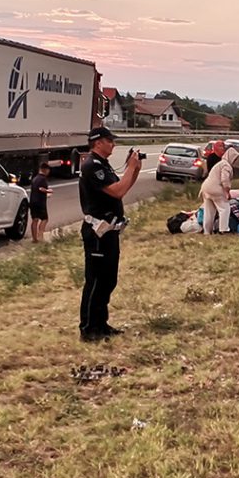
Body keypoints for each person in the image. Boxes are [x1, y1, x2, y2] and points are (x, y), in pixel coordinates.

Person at [78, 126, 142, 342]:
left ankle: (101, 324)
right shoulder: (91, 166)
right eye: (109, 141)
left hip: (110, 231)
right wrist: (130, 168)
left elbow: (121, 188)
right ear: (98, 142)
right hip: (97, 232)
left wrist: (135, 169)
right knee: (95, 281)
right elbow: (117, 191)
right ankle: (88, 328)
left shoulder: (103, 165)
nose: (113, 144)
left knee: (108, 280)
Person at [200, 146, 239, 234]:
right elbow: (224, 179)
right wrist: (227, 192)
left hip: (206, 188)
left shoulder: (220, 163)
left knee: (209, 211)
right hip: (216, 188)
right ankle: (223, 230)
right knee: (224, 208)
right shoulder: (226, 165)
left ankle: (207, 231)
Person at [29, 160, 52, 242]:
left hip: (32, 201)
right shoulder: (43, 179)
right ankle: (40, 236)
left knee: (35, 219)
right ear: (45, 170)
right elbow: (41, 189)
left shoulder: (34, 179)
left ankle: (34, 238)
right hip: (40, 202)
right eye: (48, 170)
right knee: (45, 219)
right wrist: (49, 191)